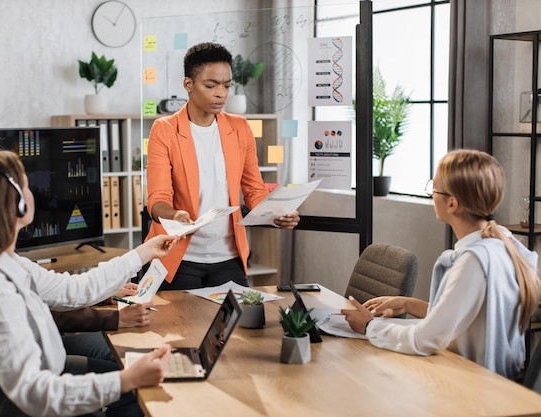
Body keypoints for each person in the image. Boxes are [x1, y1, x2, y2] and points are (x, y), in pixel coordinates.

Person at [0, 145, 180, 416]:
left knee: (137, 390)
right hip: (29, 406)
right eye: (26, 186)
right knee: (139, 394)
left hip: (50, 376)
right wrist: (128, 379)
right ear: (16, 203)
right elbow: (34, 394)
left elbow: (75, 290)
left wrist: (143, 252)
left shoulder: (7, 263)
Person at [341, 149, 541, 380]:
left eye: (433, 188)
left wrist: (369, 327)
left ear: (452, 204)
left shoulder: (474, 261)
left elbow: (426, 339)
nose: (431, 194)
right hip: (496, 382)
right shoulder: (504, 242)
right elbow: (469, 315)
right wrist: (410, 305)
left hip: (473, 389)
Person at [145, 41, 300, 290]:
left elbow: (254, 191)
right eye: (211, 85)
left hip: (228, 258)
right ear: (188, 85)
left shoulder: (239, 128)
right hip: (179, 257)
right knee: (183, 328)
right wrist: (174, 215)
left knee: (243, 325)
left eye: (227, 85)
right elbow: (157, 199)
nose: (221, 93)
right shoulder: (165, 130)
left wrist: (276, 213)